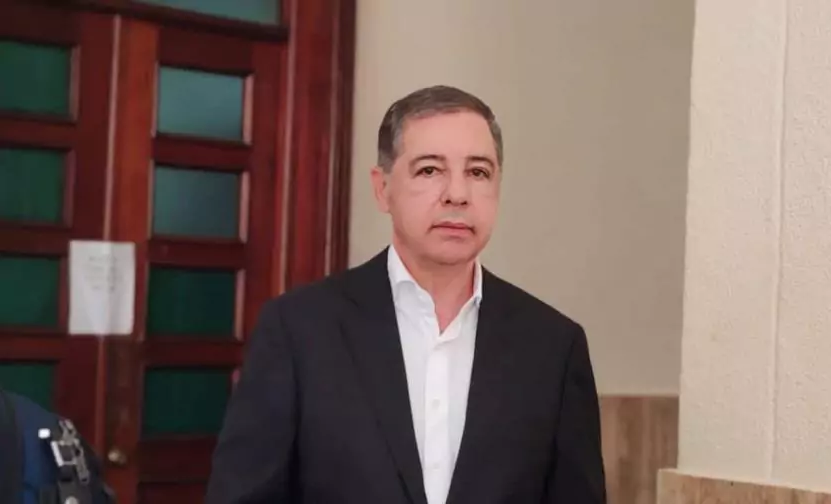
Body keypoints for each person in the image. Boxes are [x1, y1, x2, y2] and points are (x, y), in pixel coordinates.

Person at [205, 85, 607, 504]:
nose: (457, 194)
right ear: (383, 189)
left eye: (478, 172)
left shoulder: (553, 347)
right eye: (430, 170)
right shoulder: (299, 330)